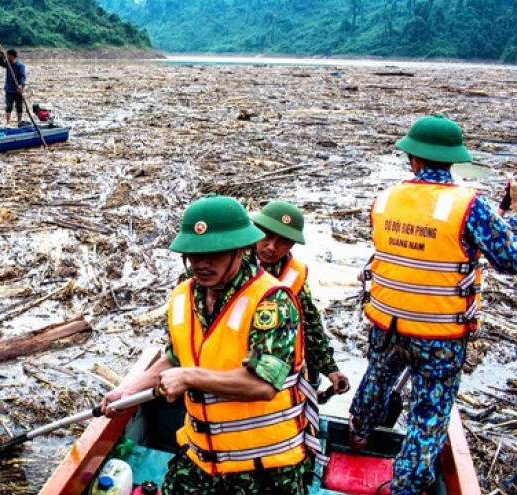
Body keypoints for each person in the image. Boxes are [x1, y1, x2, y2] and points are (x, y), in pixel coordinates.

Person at [102, 194, 320, 495]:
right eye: (194, 253)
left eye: (213, 254)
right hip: (202, 454)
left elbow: (264, 385)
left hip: (264, 467)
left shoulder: (272, 300)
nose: (201, 264)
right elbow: (176, 358)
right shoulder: (184, 296)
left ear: (240, 250)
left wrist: (190, 377)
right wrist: (129, 390)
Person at [349, 114, 517, 495]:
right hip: (439, 335)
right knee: (428, 413)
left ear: (413, 159)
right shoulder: (470, 205)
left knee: (377, 377)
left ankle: (358, 432)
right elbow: (509, 259)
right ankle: (407, 484)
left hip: (387, 323)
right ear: (452, 160)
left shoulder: (385, 199)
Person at [249, 201, 350, 396]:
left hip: (273, 366)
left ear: (292, 245)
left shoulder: (295, 275)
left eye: (283, 242)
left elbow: (310, 325)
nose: (271, 247)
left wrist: (331, 370)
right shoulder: (231, 262)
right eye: (267, 237)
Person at [0, 48, 26, 126]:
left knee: (19, 106)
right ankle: (8, 122)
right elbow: (2, 64)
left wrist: (21, 85)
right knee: (8, 106)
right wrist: (1, 56)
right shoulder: (8, 64)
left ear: (12, 56)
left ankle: (19, 122)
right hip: (9, 89)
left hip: (18, 90)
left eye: (7, 56)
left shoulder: (20, 65)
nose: (6, 57)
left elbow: (22, 77)